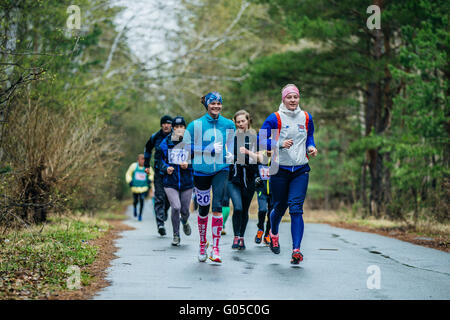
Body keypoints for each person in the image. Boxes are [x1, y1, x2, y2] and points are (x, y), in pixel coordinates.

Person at [258, 84, 317, 264]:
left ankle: (296, 250)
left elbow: (310, 136)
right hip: (279, 169)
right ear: (283, 99)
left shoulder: (306, 117)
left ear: (299, 98)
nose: (293, 100)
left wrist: (311, 147)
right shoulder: (275, 118)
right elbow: (260, 140)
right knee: (280, 206)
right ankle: (273, 232)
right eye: (289, 97)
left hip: (300, 169)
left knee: (296, 208)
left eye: (295, 97)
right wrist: (279, 145)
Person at [185, 91, 235, 263]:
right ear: (207, 105)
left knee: (218, 206)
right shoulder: (195, 125)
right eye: (213, 103)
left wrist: (231, 155)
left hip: (221, 169)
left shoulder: (229, 124)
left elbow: (231, 144)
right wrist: (207, 148)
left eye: (219, 103)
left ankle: (216, 248)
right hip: (201, 170)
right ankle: (202, 244)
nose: (216, 106)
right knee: (204, 208)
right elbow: (185, 147)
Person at [157, 116, 193, 246]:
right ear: (173, 128)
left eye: (181, 127)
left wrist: (188, 165)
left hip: (187, 182)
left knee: (184, 211)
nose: (179, 129)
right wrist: (166, 168)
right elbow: (158, 161)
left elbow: (198, 160)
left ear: (185, 128)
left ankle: (185, 221)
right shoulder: (165, 143)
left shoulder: (189, 143)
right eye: (176, 127)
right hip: (170, 182)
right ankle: (176, 235)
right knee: (176, 207)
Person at [228, 110, 259, 251]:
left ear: (248, 121)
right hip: (233, 178)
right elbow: (227, 156)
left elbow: (260, 158)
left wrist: (247, 155)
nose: (240, 124)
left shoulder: (254, 138)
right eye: (238, 122)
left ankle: (241, 237)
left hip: (249, 178)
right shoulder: (230, 137)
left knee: (245, 210)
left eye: (243, 121)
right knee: (238, 208)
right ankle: (236, 236)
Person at [144, 115, 173, 236]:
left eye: (168, 123)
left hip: (172, 173)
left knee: (169, 199)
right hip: (158, 172)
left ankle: (164, 211)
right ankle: (160, 224)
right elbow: (147, 149)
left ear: (171, 125)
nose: (166, 125)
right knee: (159, 197)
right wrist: (146, 165)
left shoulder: (176, 136)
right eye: (164, 123)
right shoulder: (155, 137)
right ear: (161, 125)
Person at [125, 154, 153, 221]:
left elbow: (152, 174)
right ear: (138, 160)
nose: (143, 161)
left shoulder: (147, 167)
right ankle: (134, 208)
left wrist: (150, 179)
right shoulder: (133, 166)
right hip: (135, 188)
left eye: (144, 159)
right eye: (142, 159)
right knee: (135, 201)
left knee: (142, 200)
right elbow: (128, 174)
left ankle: (140, 215)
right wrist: (129, 181)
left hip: (143, 187)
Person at [254, 150, 273, 246]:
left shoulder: (277, 157)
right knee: (262, 210)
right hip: (262, 189)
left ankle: (267, 235)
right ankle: (260, 228)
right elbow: (253, 169)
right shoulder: (259, 155)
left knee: (271, 213)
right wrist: (256, 177)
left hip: (274, 191)